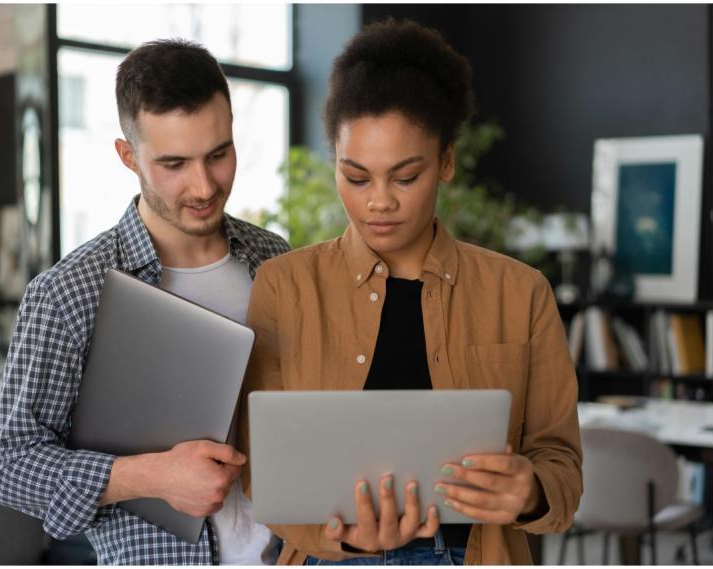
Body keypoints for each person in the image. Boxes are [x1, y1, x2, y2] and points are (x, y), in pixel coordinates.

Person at [239, 19, 582, 565]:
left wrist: (532, 490)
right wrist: (348, 537)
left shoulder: (521, 293)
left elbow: (562, 465)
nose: (379, 201)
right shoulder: (285, 287)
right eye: (356, 177)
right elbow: (262, 470)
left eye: (404, 177)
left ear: (445, 162)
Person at [0, 39, 289, 565]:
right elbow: (8, 466)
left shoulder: (275, 259)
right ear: (129, 156)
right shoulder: (70, 292)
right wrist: (151, 476)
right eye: (174, 163)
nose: (204, 185)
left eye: (219, 154)